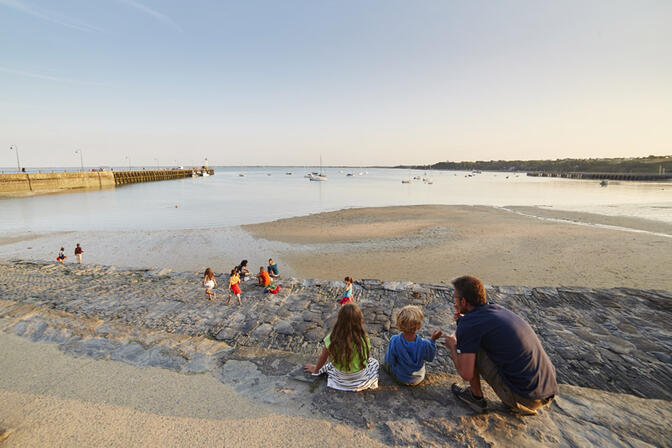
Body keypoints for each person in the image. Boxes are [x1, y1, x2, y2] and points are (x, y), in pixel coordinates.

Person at [445, 276, 557, 415]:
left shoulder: (470, 325)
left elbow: (465, 374)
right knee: (474, 340)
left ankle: (475, 398)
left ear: (463, 301)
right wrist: (463, 321)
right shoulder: (496, 309)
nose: (454, 301)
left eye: (455, 298)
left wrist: (453, 346)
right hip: (548, 390)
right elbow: (471, 327)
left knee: (472, 348)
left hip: (526, 399)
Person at [304, 303, 379, 391]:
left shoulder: (333, 338)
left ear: (339, 320)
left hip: (340, 377)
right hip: (360, 376)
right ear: (359, 320)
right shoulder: (363, 337)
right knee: (374, 362)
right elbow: (365, 357)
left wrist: (316, 370)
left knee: (330, 366)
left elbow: (323, 357)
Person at [384, 305, 443, 385]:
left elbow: (390, 360)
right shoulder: (425, 344)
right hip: (418, 378)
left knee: (386, 364)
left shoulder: (394, 340)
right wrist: (433, 340)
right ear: (418, 326)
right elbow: (430, 357)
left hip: (401, 377)